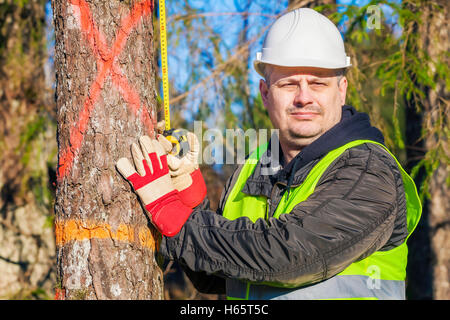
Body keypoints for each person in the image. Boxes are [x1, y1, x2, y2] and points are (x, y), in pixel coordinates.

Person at [116, 8, 421, 300]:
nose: (304, 97)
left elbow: (290, 254)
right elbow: (217, 274)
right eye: (289, 84)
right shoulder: (253, 168)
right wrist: (189, 203)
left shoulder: (369, 170)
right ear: (265, 93)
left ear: (341, 91)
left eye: (317, 83)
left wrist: (176, 219)